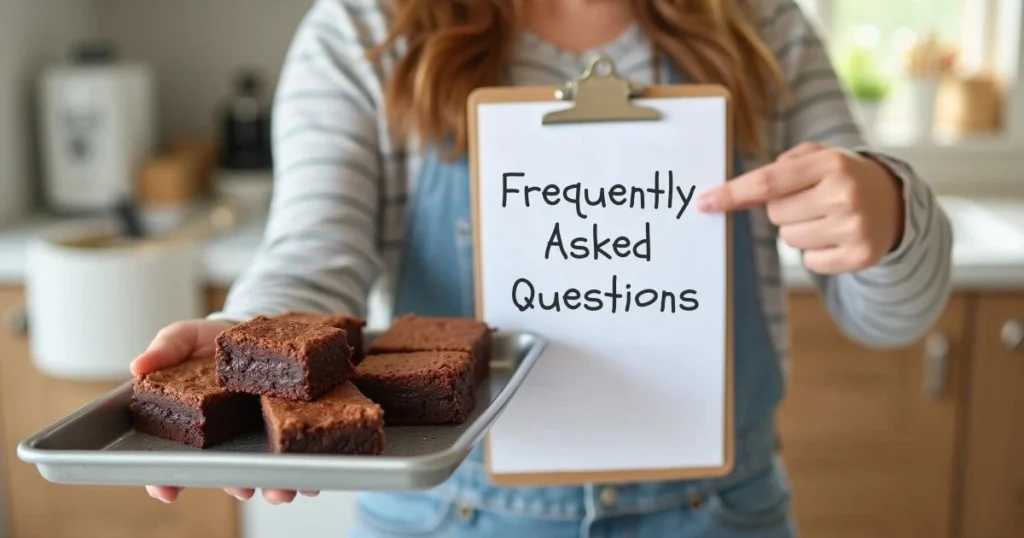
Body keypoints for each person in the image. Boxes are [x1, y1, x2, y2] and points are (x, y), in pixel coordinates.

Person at [131, 0, 953, 536]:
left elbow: (889, 315)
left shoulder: (761, 25)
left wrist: (889, 209)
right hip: (446, 514)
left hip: (719, 513)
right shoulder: (365, 32)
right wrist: (254, 343)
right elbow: (314, 253)